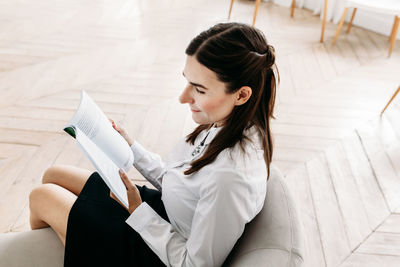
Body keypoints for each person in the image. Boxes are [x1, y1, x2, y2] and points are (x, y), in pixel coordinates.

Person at [28, 22, 278, 267]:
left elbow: (195, 264)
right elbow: (180, 182)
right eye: (187, 81)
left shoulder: (230, 177)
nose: (183, 97)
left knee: (42, 196)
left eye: (199, 90)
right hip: (166, 215)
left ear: (242, 95)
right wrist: (129, 147)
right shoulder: (226, 124)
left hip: (162, 251)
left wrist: (138, 211)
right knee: (54, 175)